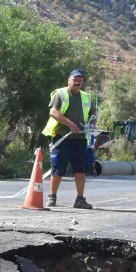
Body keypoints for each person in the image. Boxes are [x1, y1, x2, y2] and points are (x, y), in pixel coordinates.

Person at [41, 69, 95, 209]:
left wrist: (91, 126)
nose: (77, 82)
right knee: (58, 169)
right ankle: (52, 197)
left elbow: (93, 115)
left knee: (80, 170)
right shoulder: (60, 94)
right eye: (75, 79)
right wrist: (70, 125)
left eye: (80, 80)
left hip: (80, 139)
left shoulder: (86, 97)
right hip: (62, 138)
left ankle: (80, 199)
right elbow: (53, 112)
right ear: (69, 80)